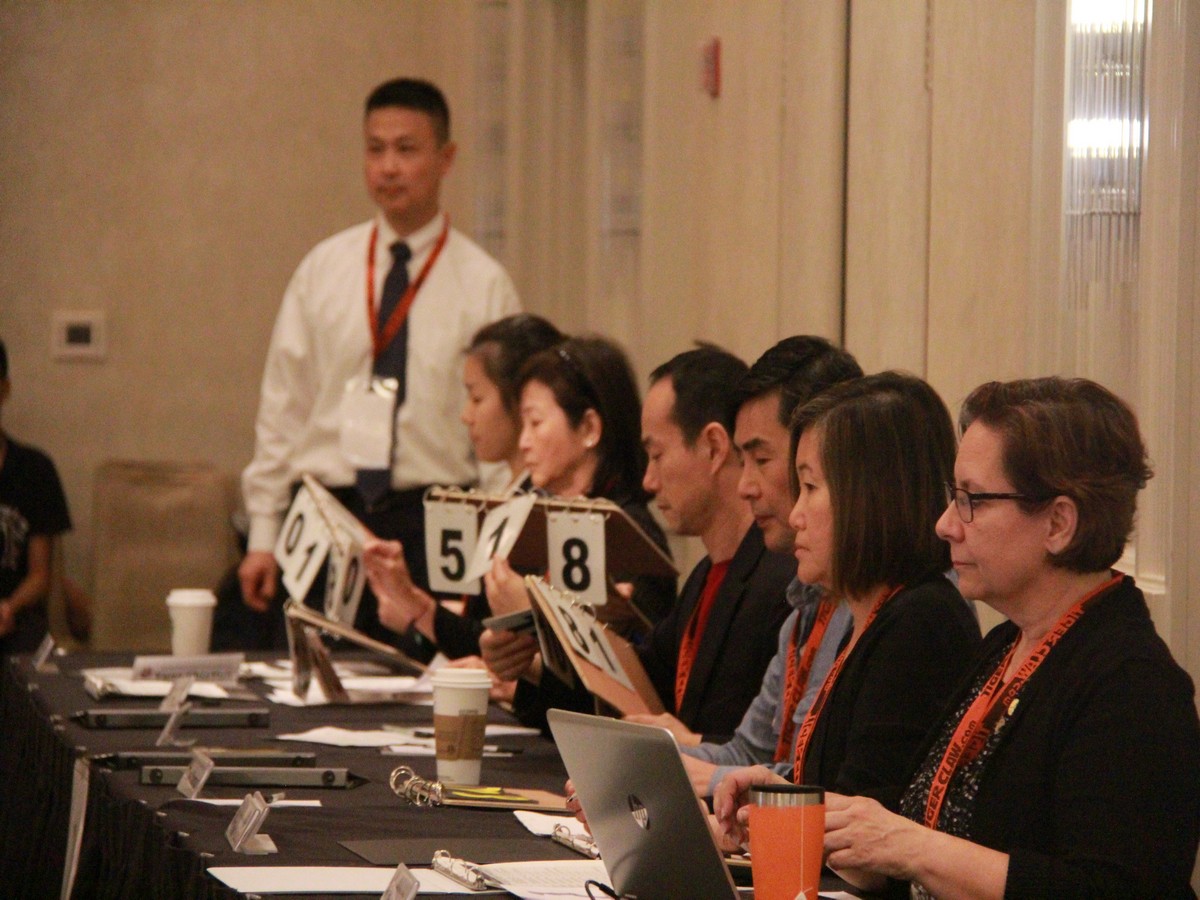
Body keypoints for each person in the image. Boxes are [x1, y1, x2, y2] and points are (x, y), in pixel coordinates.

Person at [722, 377, 1200, 898]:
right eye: (954, 496)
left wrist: (914, 850)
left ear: (1058, 524)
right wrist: (790, 809)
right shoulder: (1004, 647)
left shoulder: (1132, 685)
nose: (946, 524)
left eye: (972, 500)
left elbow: (1113, 890)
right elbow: (905, 829)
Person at [238, 77, 520, 652]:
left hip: (433, 519)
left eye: (406, 149)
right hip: (327, 513)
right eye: (375, 149)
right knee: (311, 683)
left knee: (426, 687)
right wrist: (262, 532)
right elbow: (283, 408)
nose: (388, 167)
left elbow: (503, 432)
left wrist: (500, 544)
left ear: (446, 158)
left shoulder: (484, 284)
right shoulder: (323, 269)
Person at [712, 372, 980, 813]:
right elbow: (835, 793)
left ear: (870, 497)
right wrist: (768, 797)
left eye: (810, 488)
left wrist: (770, 813)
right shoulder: (870, 615)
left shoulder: (919, 623)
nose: (796, 515)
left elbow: (864, 821)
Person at [536, 344, 795, 739]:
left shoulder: (781, 584)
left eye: (656, 455)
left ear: (713, 447)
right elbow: (645, 688)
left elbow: (765, 754)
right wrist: (566, 628)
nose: (648, 481)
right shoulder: (705, 575)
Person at [673, 335, 863, 795]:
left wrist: (703, 777)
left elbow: (825, 793)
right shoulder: (806, 600)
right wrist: (645, 762)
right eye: (742, 461)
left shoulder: (897, 610)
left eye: (761, 459)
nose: (745, 486)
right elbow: (748, 754)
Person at [478, 335, 676, 726]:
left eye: (535, 423)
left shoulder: (628, 533)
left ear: (588, 427)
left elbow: (630, 701)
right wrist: (518, 659)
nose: (523, 442)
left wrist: (534, 618)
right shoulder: (557, 523)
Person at [362, 313, 564, 658]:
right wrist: (414, 606)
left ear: (520, 401)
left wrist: (416, 612)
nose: (466, 415)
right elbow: (479, 630)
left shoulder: (543, 510)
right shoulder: (512, 498)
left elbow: (494, 645)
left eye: (477, 398)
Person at [0, 339, 73, 654]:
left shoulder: (34, 469)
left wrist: (8, 608)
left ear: (4, 389)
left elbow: (41, 575)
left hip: (17, 618)